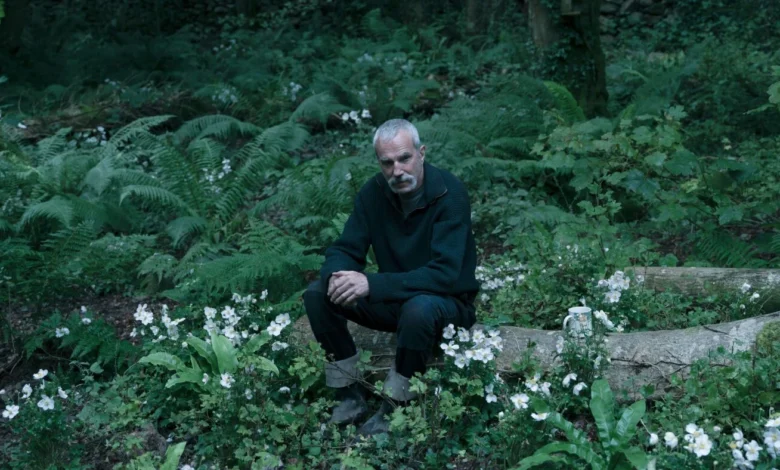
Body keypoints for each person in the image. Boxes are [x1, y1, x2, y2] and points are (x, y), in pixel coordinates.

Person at [303, 118, 480, 436]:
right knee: (318, 293)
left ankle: (396, 405)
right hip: (396, 299)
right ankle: (348, 394)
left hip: (447, 305)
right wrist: (337, 277)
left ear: (421, 153)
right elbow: (345, 248)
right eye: (387, 162)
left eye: (404, 158)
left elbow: (445, 274)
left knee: (419, 308)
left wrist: (370, 283)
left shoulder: (449, 193)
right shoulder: (374, 193)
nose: (397, 170)